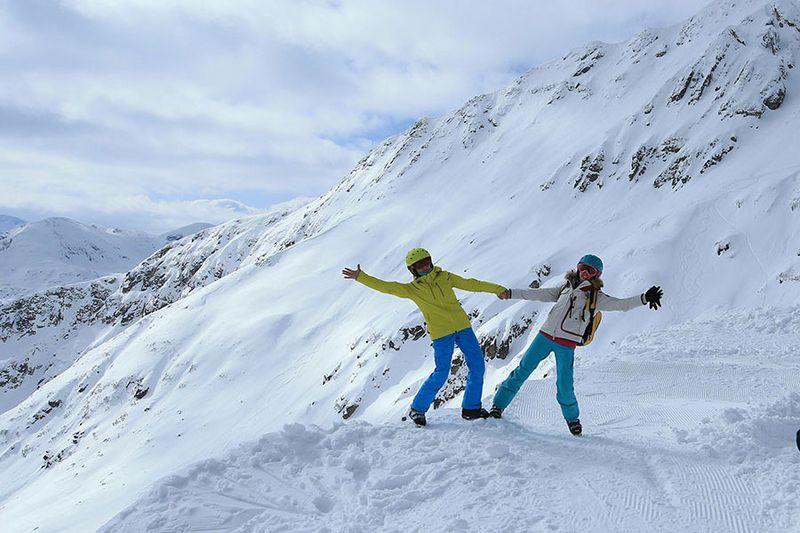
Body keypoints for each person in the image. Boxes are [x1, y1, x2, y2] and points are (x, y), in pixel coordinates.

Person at [491, 254, 663, 436]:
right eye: (582, 268)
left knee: (564, 385)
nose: (585, 273)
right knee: (522, 371)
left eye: (590, 270)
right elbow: (537, 294)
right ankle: (498, 406)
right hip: (544, 336)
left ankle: (572, 419)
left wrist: (644, 298)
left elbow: (622, 304)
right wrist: (510, 293)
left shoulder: (596, 296)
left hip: (566, 344)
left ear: (596, 275)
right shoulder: (565, 288)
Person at [342, 248, 507, 426]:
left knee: (477, 366)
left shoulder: (445, 277)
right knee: (441, 372)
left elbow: (472, 284)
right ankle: (417, 409)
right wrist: (361, 277)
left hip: (463, 328)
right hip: (441, 334)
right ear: (412, 269)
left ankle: (471, 409)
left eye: (426, 261)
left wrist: (497, 289)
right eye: (419, 265)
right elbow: (387, 287)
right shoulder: (413, 290)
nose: (424, 266)